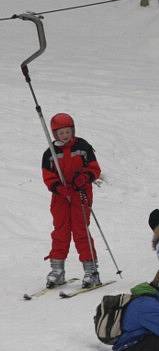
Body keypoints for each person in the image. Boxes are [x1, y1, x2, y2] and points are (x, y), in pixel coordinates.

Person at [42, 113, 102, 289]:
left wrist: (85, 177)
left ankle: (91, 271)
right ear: (54, 134)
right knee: (61, 231)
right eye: (61, 133)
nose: (65, 135)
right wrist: (58, 187)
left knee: (80, 229)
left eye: (68, 131)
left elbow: (94, 169)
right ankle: (57, 270)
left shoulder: (83, 147)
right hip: (60, 197)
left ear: (73, 130)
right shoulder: (50, 153)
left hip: (80, 194)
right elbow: (47, 176)